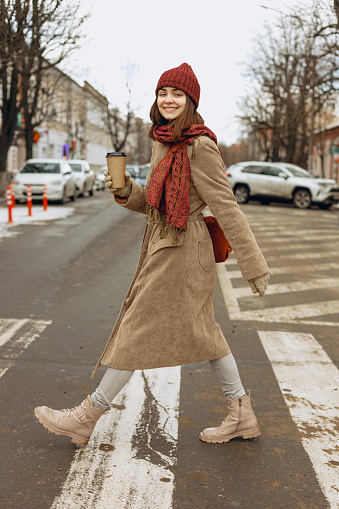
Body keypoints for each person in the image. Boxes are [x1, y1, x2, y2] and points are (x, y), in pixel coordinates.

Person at [34, 63, 269, 447]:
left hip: (183, 252)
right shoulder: (162, 142)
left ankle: (86, 416)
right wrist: (126, 189)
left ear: (190, 101)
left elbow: (227, 208)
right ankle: (242, 412)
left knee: (135, 329)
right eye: (163, 93)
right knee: (206, 334)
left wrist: (253, 263)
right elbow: (155, 205)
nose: (169, 100)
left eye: (178, 94)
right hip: (164, 245)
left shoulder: (199, 146)